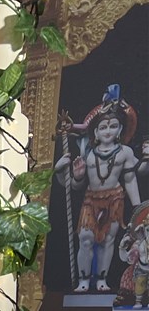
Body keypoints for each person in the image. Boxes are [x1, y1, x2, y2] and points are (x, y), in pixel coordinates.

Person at [55, 89, 142, 293]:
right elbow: (76, 187)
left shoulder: (125, 153)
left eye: (113, 126)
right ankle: (83, 280)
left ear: (120, 129)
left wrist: (137, 208)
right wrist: (77, 175)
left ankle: (101, 279)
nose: (108, 131)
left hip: (114, 198)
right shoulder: (87, 154)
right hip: (90, 200)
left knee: (108, 240)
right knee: (85, 239)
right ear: (95, 132)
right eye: (103, 127)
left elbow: (130, 179)